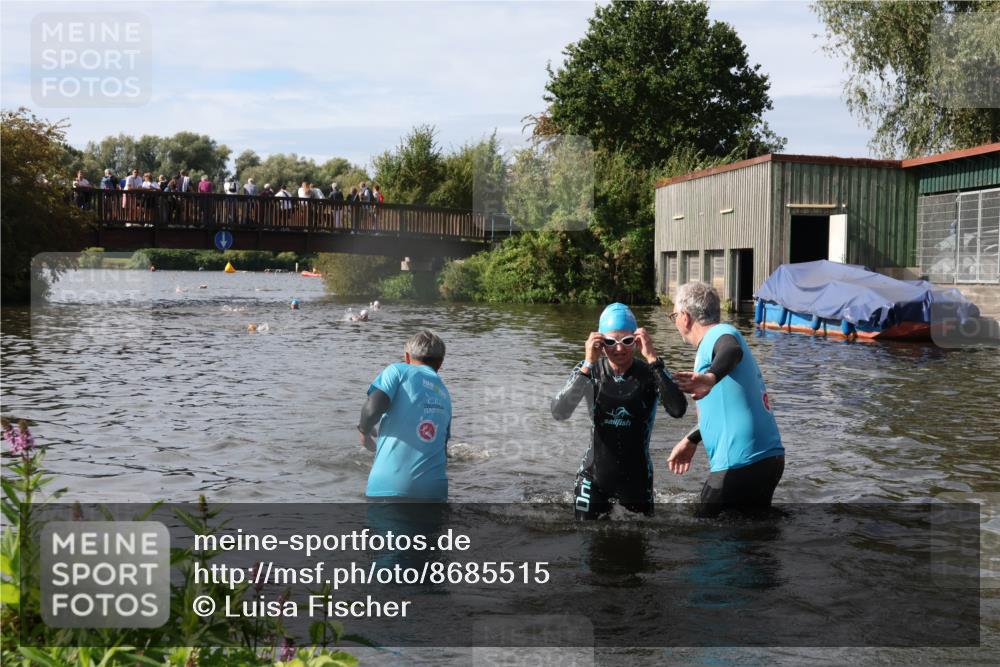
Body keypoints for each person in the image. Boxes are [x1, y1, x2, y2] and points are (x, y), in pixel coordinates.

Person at [552, 303, 687, 520]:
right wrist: (588, 363)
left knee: (637, 547)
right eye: (610, 342)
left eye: (626, 341)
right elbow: (559, 412)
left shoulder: (651, 373)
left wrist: (652, 357)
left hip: (637, 479)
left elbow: (678, 409)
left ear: (636, 340)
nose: (619, 348)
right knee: (586, 541)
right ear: (599, 342)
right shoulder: (589, 371)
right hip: (593, 476)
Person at [666, 281, 785, 518]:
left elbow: (731, 350)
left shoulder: (719, 334)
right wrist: (692, 439)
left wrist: (710, 377)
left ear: (686, 317)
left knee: (706, 537)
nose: (675, 322)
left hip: (740, 463)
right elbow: (727, 407)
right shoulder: (717, 340)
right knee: (753, 542)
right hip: (767, 459)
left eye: (674, 315)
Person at [357, 330, 452, 500]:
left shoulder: (398, 371)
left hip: (390, 488)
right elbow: (443, 450)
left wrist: (364, 431)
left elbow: (372, 409)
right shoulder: (444, 394)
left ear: (407, 357)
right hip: (436, 492)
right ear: (440, 364)